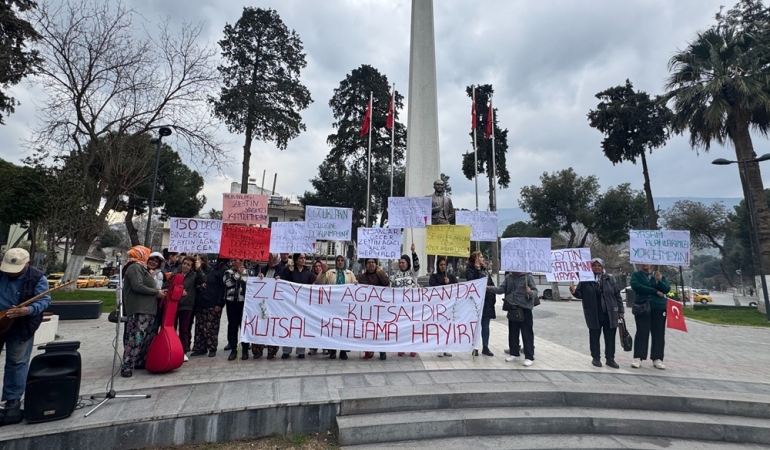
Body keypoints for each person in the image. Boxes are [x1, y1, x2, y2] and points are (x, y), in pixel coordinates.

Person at [0, 248, 51, 425]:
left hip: (21, 325)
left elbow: (44, 300)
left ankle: (12, 401)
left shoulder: (37, 278)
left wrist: (27, 310)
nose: (10, 273)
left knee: (17, 362)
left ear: (27, 264)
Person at [569, 258, 624, 369]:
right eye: (594, 265)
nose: (597, 267)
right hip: (593, 313)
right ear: (590, 267)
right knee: (594, 336)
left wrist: (620, 310)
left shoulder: (609, 279)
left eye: (599, 265)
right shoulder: (585, 280)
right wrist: (574, 292)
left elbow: (617, 295)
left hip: (609, 313)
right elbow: (580, 294)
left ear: (602, 267)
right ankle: (596, 358)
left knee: (610, 337)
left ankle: (610, 359)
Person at [121, 246, 167, 377]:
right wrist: (156, 292)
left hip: (149, 309)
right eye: (148, 256)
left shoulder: (143, 269)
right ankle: (127, 365)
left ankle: (139, 361)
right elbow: (138, 286)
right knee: (135, 338)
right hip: (139, 309)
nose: (150, 260)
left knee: (146, 338)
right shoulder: (135, 267)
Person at [488, 271, 537, 367]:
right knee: (513, 332)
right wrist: (490, 288)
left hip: (525, 309)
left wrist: (530, 292)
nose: (512, 271)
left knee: (527, 333)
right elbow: (502, 289)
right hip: (512, 307)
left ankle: (529, 357)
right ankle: (514, 353)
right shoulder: (508, 277)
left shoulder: (528, 277)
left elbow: (535, 292)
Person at [316, 255, 357, 360]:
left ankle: (343, 351)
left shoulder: (349, 273)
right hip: (332, 304)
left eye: (342, 260)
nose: (340, 262)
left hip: (345, 305)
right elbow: (319, 282)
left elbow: (354, 286)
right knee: (333, 327)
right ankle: (333, 350)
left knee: (344, 328)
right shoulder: (330, 273)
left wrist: (356, 284)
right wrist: (323, 272)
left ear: (344, 262)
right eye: (338, 260)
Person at [630, 264, 670, 370]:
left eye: (647, 262)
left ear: (651, 264)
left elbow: (666, 289)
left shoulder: (658, 275)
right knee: (642, 331)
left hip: (658, 307)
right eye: (642, 262)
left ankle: (657, 358)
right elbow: (637, 287)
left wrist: (659, 281)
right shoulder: (636, 275)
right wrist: (655, 291)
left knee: (658, 333)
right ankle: (638, 357)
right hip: (642, 307)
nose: (645, 264)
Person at [191, 259, 228, 357]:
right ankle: (200, 347)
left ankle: (212, 347)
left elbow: (223, 288)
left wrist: (220, 303)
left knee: (211, 327)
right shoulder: (211, 268)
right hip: (202, 301)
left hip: (213, 302)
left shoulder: (224, 270)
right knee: (200, 326)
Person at [280, 253, 314, 359]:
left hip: (303, 304)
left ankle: (300, 351)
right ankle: (286, 351)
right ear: (296, 260)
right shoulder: (290, 270)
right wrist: (289, 273)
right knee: (289, 326)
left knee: (301, 327)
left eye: (304, 258)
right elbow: (283, 283)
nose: (303, 260)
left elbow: (312, 287)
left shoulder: (308, 273)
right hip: (290, 304)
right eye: (301, 258)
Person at [391, 244, 420, 357]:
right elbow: (390, 289)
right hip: (400, 307)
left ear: (408, 263)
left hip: (411, 306)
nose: (401, 264)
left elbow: (416, 265)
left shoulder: (413, 273)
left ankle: (413, 347)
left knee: (412, 326)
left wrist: (413, 252)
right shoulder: (395, 275)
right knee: (401, 327)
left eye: (403, 262)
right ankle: (401, 347)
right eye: (400, 262)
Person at [357, 258, 390, 360]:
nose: (371, 264)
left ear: (376, 264)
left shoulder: (380, 274)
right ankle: (369, 351)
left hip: (379, 308)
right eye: (369, 262)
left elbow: (386, 283)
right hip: (367, 309)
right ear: (366, 265)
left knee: (380, 330)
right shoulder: (362, 277)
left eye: (373, 262)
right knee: (368, 330)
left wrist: (380, 273)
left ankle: (382, 351)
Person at [465, 251, 496, 357]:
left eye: (483, 257)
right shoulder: (470, 270)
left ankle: (485, 347)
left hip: (487, 302)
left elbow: (491, 284)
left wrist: (492, 295)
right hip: (476, 303)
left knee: (485, 326)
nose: (483, 259)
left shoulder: (485, 271)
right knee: (476, 326)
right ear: (475, 260)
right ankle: (475, 347)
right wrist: (477, 270)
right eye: (481, 257)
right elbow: (472, 282)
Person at [254, 253, 285, 359]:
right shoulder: (263, 269)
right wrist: (259, 277)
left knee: (273, 326)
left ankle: (272, 351)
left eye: (270, 257)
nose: (268, 259)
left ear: (276, 258)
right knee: (260, 325)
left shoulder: (282, 270)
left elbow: (287, 283)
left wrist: (281, 279)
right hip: (263, 302)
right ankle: (258, 350)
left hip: (275, 304)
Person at [175, 256, 205, 361]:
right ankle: (173, 348)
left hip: (186, 305)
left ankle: (183, 351)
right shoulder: (176, 274)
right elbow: (167, 285)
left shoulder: (194, 276)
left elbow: (203, 280)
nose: (185, 266)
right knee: (172, 328)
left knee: (184, 329)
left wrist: (198, 269)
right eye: (184, 263)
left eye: (188, 264)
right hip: (174, 304)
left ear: (191, 267)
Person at [429, 257, 458, 357]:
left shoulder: (451, 277)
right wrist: (443, 284)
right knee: (439, 327)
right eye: (441, 265)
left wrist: (449, 283)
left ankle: (447, 347)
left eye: (444, 265)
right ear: (438, 266)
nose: (442, 266)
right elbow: (432, 286)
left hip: (449, 307)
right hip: (438, 306)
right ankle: (439, 347)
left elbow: (457, 287)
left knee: (448, 327)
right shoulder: (434, 276)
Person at [224, 258, 249, 361]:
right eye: (233, 260)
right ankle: (233, 349)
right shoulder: (228, 272)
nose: (233, 262)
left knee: (244, 326)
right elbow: (228, 283)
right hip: (232, 303)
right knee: (232, 326)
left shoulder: (248, 272)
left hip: (244, 303)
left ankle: (245, 348)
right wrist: (238, 274)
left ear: (242, 261)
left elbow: (250, 285)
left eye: (236, 260)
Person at [427, 179, 455, 273]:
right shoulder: (428, 198)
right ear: (434, 186)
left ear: (443, 187)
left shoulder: (447, 199)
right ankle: (430, 268)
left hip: (443, 223)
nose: (439, 186)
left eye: (441, 185)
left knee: (442, 248)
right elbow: (424, 211)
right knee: (431, 247)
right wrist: (435, 209)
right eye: (437, 185)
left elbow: (452, 212)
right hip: (433, 223)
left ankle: (441, 269)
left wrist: (447, 219)